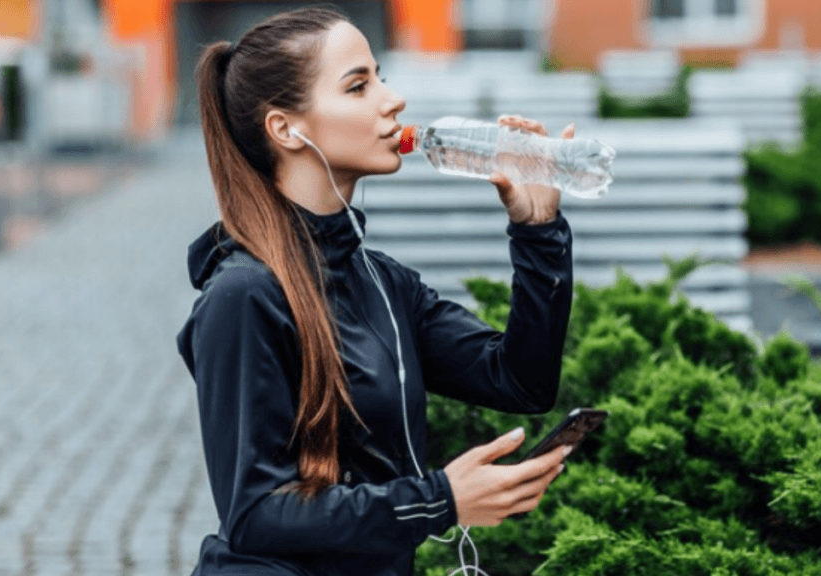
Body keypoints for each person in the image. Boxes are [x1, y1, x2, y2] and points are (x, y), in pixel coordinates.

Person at [175, 6, 575, 576]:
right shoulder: (243, 296)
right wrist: (440, 500)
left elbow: (520, 380)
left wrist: (538, 236)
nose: (392, 100)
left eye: (379, 77)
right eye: (359, 86)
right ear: (286, 129)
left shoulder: (382, 283)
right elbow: (255, 515)